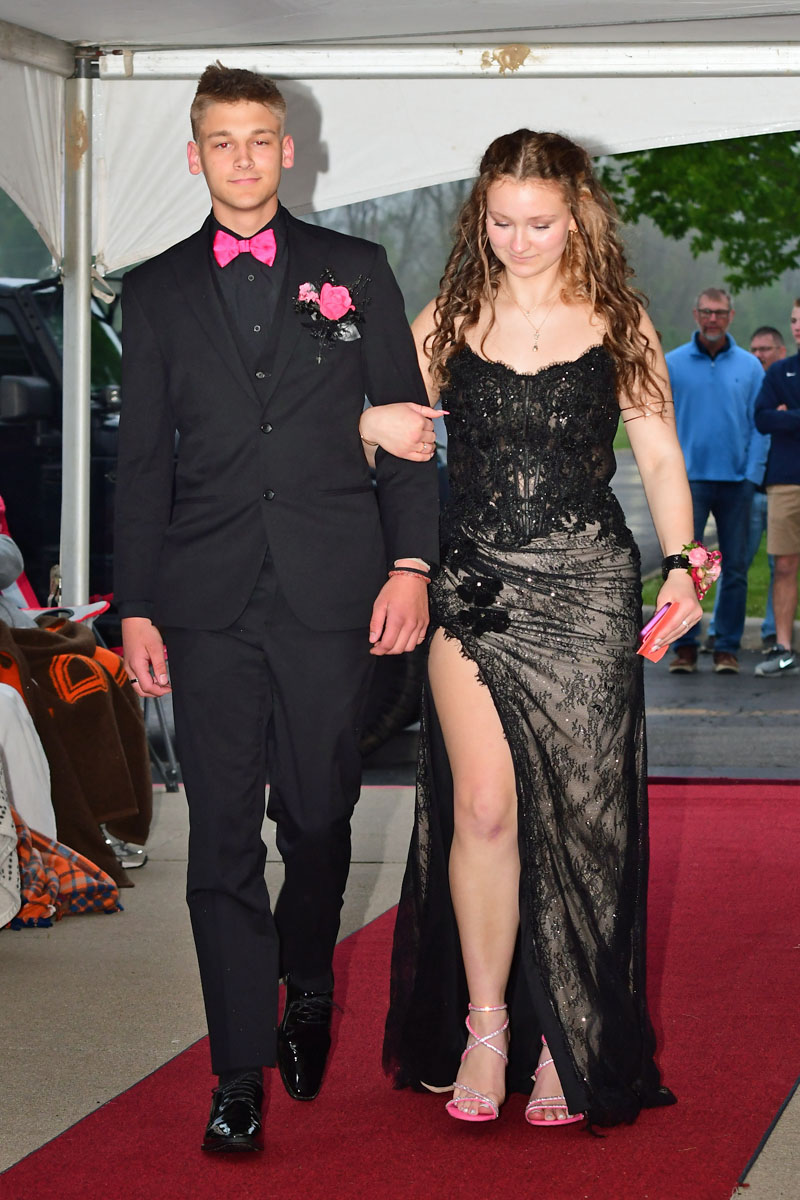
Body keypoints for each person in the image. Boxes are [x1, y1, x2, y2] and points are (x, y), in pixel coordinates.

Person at [113, 64, 439, 1152]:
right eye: (223, 141)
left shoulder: (354, 271)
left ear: (287, 150)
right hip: (204, 604)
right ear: (194, 153)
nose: (243, 159)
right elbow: (140, 467)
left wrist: (410, 567)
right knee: (218, 841)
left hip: (328, 590)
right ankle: (237, 1069)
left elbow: (402, 429)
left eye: (261, 139)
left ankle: (307, 973)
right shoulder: (151, 292)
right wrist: (138, 606)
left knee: (315, 815)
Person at [365, 129, 702, 1128]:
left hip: (588, 588)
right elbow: (378, 418)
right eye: (501, 221)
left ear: (577, 211)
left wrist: (682, 567)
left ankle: (570, 1035)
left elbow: (656, 457)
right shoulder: (449, 317)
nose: (520, 241)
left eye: (539, 222)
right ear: (482, 215)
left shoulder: (617, 316)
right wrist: (362, 423)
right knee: (480, 809)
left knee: (584, 826)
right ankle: (486, 1025)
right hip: (470, 587)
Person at [665, 289, 767, 674]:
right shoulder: (673, 363)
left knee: (736, 568)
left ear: (731, 316)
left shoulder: (750, 366)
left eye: (719, 313)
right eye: (706, 312)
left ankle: (726, 646)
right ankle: (685, 648)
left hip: (737, 482)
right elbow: (662, 424)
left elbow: (761, 425)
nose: (712, 319)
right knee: (685, 568)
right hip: (687, 483)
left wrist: (752, 473)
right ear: (695, 314)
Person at [705, 325, 785, 653]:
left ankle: (771, 631)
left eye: (765, 349)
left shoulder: (785, 384)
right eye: (754, 348)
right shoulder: (748, 385)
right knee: (734, 563)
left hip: (781, 490)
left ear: (780, 352)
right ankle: (717, 628)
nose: (758, 355)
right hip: (748, 490)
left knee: (779, 566)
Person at [753, 300, 800, 676]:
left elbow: (780, 419)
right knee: (784, 564)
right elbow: (763, 419)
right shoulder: (780, 372)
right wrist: (781, 417)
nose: (797, 327)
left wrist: (791, 416)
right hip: (785, 481)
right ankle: (784, 649)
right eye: (794, 321)